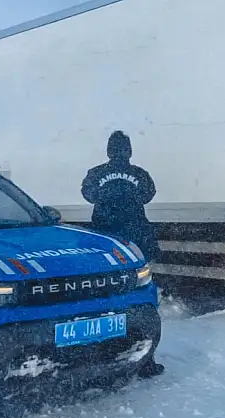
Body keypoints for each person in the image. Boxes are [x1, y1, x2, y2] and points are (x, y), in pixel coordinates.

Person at [82, 130, 165, 378]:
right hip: (135, 239)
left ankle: (102, 354)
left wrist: (109, 200)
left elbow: (87, 194)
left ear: (109, 150)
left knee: (107, 298)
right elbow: (148, 195)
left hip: (107, 240)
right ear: (129, 151)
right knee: (141, 298)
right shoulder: (140, 174)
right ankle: (145, 361)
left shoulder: (96, 173)